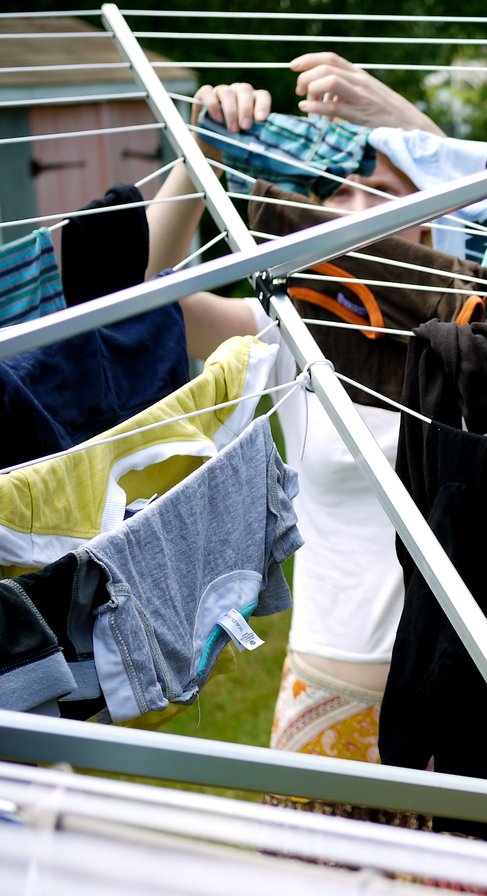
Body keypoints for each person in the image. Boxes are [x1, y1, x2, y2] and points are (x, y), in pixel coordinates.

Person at [146, 54, 453, 798]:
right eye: (335, 190)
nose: (355, 210)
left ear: (431, 216)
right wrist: (201, 153)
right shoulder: (293, 331)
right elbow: (140, 298)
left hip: (480, 705)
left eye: (383, 190)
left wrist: (415, 130)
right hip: (332, 695)